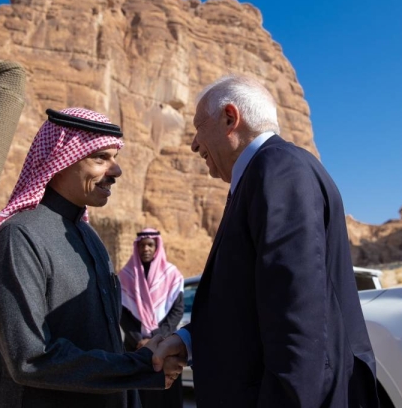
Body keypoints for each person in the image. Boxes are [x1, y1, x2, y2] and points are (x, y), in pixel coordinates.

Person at [151, 75, 380, 407]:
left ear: (230, 118)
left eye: (199, 127)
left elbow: (298, 320)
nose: (195, 144)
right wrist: (188, 341)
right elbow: (251, 305)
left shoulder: (278, 169)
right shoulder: (266, 173)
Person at [0, 108, 183, 408]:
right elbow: (30, 358)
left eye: (114, 159)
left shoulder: (90, 239)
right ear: (60, 160)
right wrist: (138, 368)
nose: (116, 172)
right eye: (100, 158)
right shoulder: (19, 238)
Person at [119, 228, 185, 408]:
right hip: (136, 347)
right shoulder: (125, 276)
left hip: (167, 346)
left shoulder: (172, 275)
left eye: (150, 245)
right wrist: (140, 340)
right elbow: (122, 312)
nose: (146, 249)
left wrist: (156, 338)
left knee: (166, 396)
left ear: (157, 247)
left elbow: (177, 310)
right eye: (142, 245)